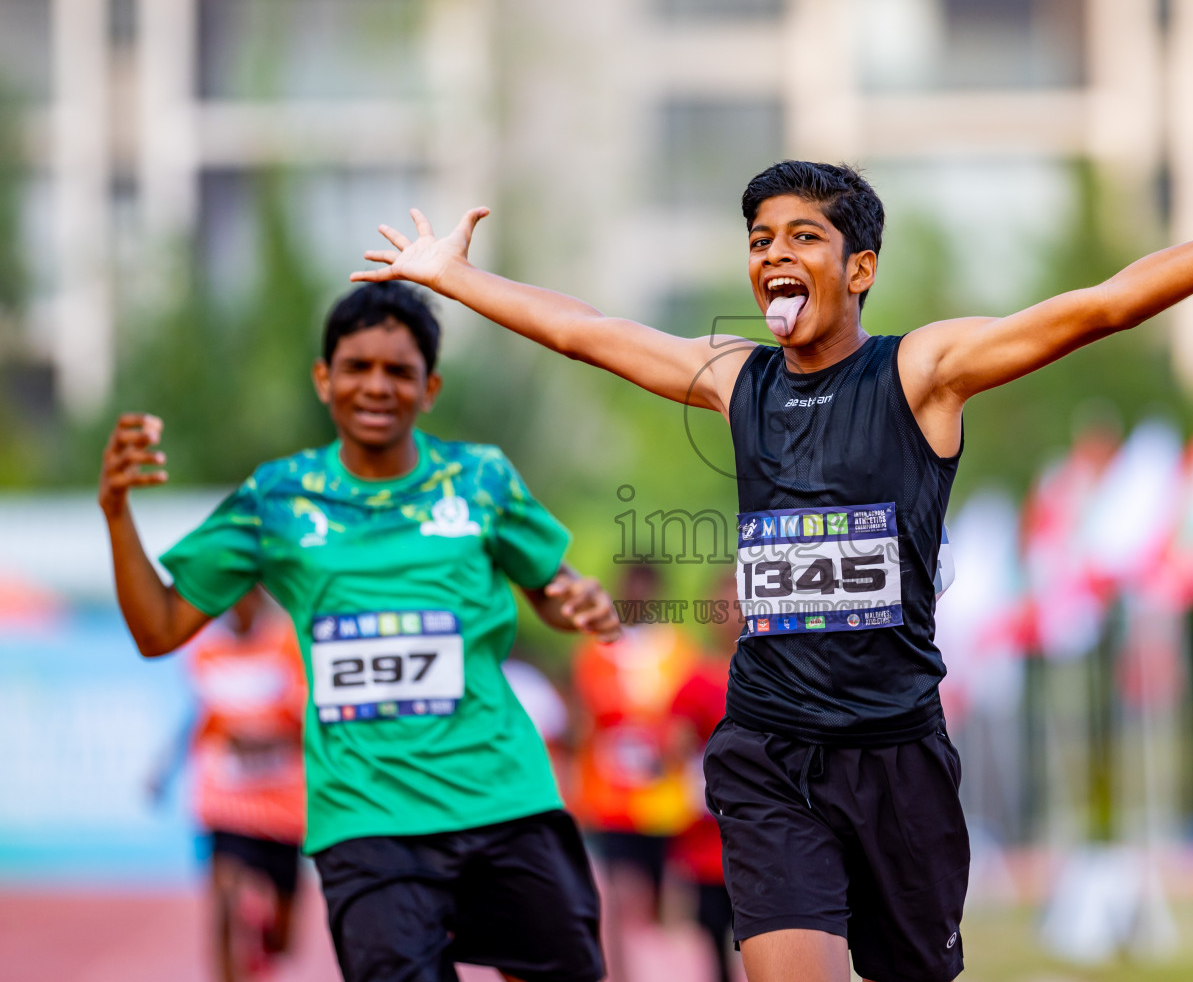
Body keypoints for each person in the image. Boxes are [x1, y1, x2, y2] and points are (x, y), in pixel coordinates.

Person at [353, 128, 1193, 982]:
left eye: (803, 237)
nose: (775, 254)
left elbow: (1100, 305)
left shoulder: (926, 373)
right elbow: (586, 328)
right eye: (761, 237)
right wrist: (454, 279)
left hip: (898, 752)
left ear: (858, 265)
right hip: (770, 748)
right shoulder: (736, 380)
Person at [99, 281, 621, 982]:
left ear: (429, 387)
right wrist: (116, 514)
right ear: (325, 379)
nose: (377, 386)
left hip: (503, 799)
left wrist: (576, 596)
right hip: (367, 821)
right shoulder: (276, 499)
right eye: (358, 368)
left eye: (399, 371)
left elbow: (550, 586)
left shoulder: (482, 479)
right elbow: (159, 628)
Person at [149, 587, 307, 982]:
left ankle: (267, 941)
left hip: (283, 808)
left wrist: (261, 739)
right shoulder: (204, 654)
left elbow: (310, 726)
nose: (235, 607)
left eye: (244, 597)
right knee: (223, 898)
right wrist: (164, 770)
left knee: (283, 939)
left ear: (259, 599)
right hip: (225, 802)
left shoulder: (288, 645)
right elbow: (196, 718)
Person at [569, 564, 696, 982]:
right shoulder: (594, 652)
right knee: (624, 902)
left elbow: (689, 722)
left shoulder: (679, 650)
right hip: (612, 802)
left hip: (667, 804)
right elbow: (582, 722)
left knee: (669, 908)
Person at [667, 572, 740, 982]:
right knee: (713, 931)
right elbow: (674, 747)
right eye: (724, 605)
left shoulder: (777, 675)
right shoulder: (696, 680)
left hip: (762, 832)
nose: (733, 615)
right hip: (708, 834)